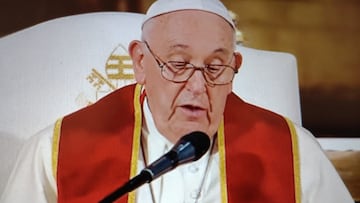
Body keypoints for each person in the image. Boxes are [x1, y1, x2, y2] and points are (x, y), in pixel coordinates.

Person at [0, 0, 354, 202]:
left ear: (236, 67)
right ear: (140, 62)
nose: (198, 86)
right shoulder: (56, 151)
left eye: (216, 67)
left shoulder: (293, 152)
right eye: (179, 64)